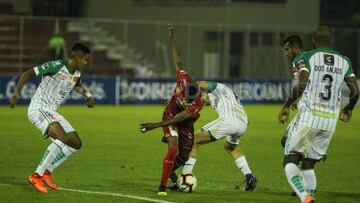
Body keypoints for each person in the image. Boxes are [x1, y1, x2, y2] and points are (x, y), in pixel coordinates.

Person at [278, 26, 359, 203]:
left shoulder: (306, 57)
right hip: (329, 121)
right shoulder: (344, 61)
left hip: (309, 116)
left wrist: (286, 105)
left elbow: (303, 81)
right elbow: (355, 90)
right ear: (332, 41)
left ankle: (305, 197)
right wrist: (349, 108)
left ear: (313, 41)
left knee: (290, 160)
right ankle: (310, 193)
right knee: (308, 164)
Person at [9, 43, 95, 193]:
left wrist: (88, 95)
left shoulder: (77, 73)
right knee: (62, 138)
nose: (86, 63)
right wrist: (16, 95)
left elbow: (77, 85)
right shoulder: (55, 66)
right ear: (76, 57)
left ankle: (47, 172)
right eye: (84, 59)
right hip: (38, 108)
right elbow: (27, 73)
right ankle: (36, 175)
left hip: (52, 112)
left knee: (75, 143)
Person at [139, 24, 204, 196]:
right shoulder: (183, 78)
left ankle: (170, 172)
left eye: (191, 100)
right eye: (187, 99)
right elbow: (178, 60)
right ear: (184, 88)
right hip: (170, 115)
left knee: (183, 156)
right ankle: (162, 186)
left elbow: (181, 117)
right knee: (173, 149)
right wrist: (172, 39)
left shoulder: (198, 103)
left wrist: (154, 125)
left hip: (184, 123)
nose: (189, 101)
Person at [178, 81, 257, 191]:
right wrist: (201, 100)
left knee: (194, 140)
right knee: (230, 147)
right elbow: (206, 100)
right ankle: (250, 177)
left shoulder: (217, 87)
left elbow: (200, 84)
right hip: (243, 124)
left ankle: (185, 177)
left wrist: (185, 92)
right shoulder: (227, 94)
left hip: (229, 121)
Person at [281, 34, 305, 197]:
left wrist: (289, 104)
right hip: (307, 108)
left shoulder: (301, 59)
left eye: (287, 49)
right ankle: (303, 181)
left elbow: (305, 81)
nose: (286, 53)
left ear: (296, 48)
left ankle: (301, 186)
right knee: (288, 142)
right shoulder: (301, 61)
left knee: (291, 153)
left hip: (310, 111)